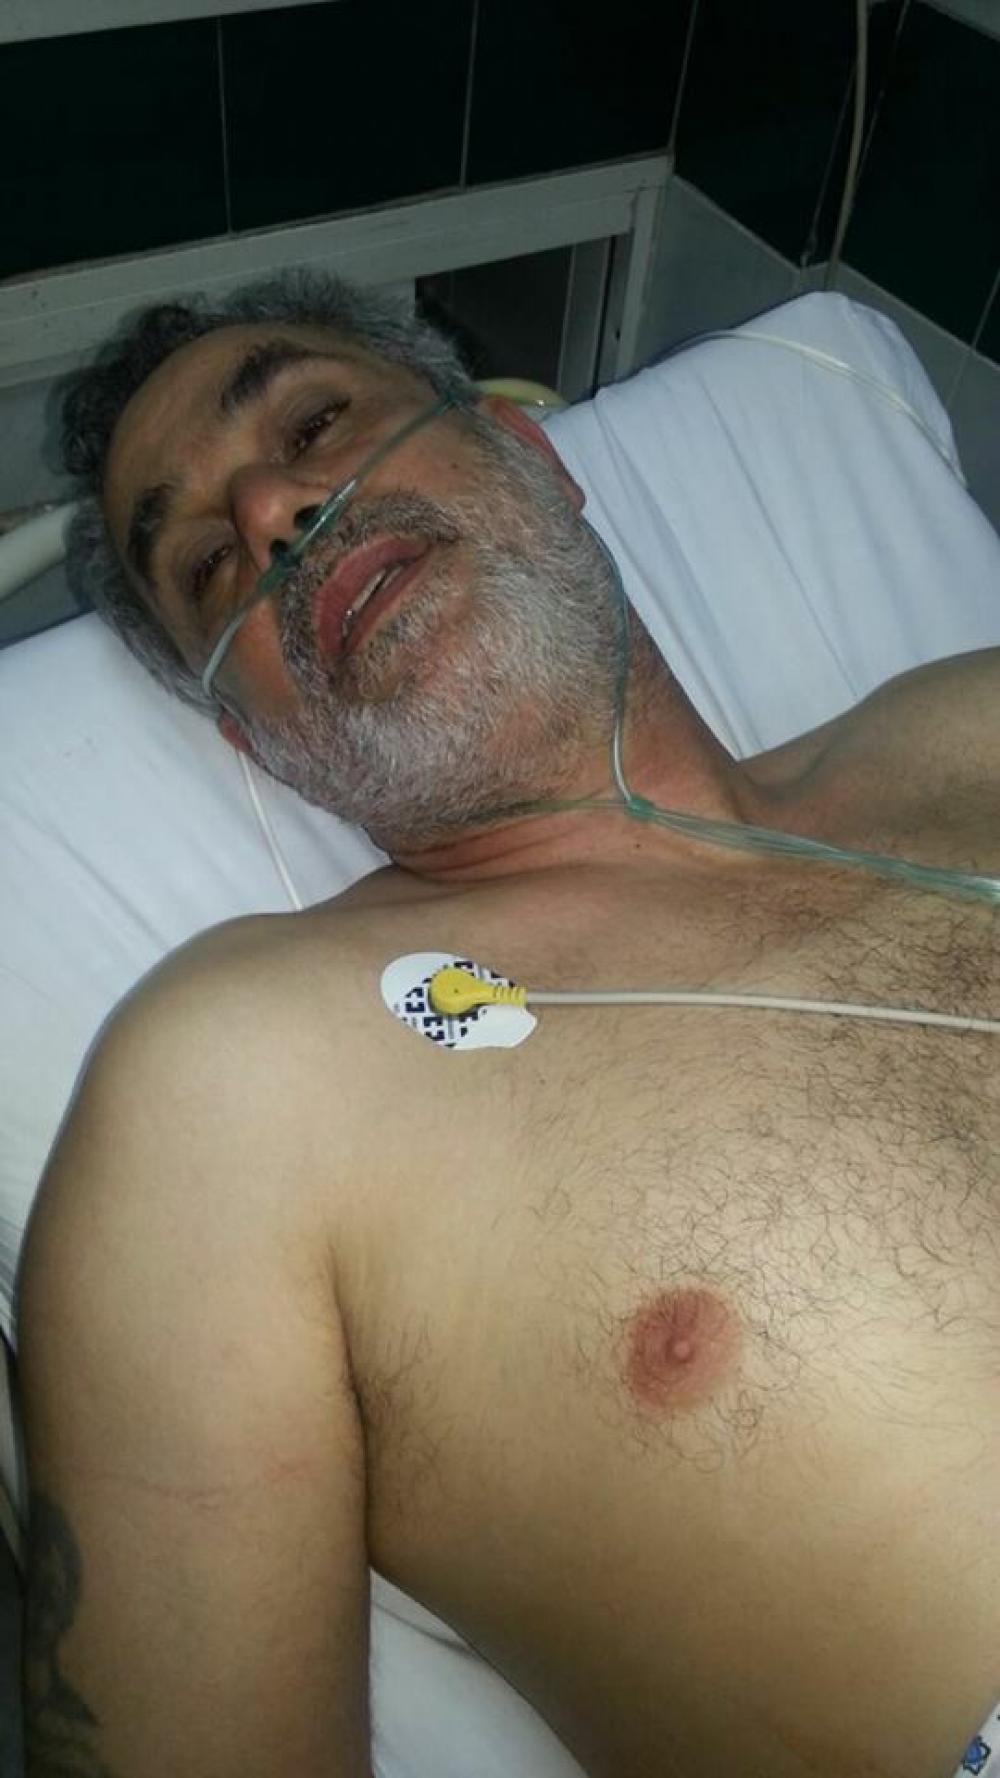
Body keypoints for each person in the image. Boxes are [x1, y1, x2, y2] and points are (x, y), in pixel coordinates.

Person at [17, 271, 1000, 1778]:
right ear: (250, 735)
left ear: (529, 453)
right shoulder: (232, 1086)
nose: (273, 511)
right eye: (207, 563)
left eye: (316, 423)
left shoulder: (972, 722)